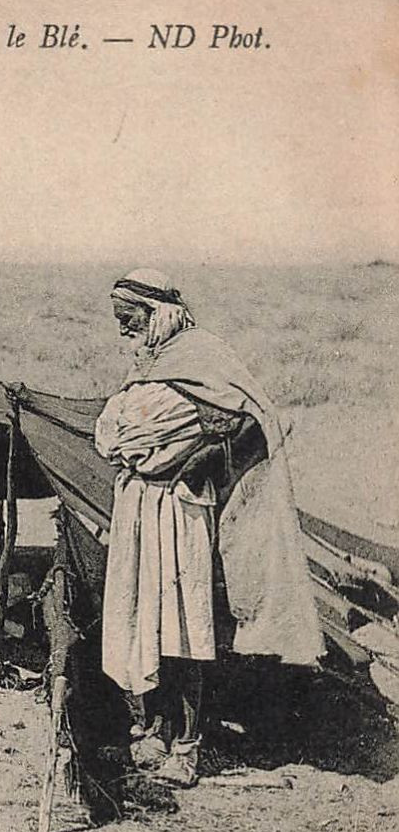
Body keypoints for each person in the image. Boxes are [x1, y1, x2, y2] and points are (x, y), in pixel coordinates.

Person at [94, 269, 321, 786]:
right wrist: (145, 440)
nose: (123, 331)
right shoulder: (150, 363)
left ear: (158, 314)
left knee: (183, 625)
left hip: (181, 510)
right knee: (139, 616)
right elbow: (112, 433)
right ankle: (153, 725)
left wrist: (203, 454)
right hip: (137, 505)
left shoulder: (206, 356)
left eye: (129, 320)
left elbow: (257, 421)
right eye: (118, 321)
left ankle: (188, 746)